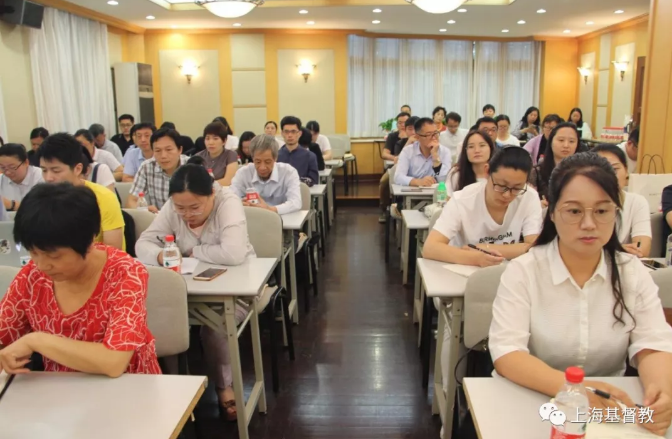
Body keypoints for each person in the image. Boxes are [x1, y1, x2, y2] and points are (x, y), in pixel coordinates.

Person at [488, 153, 672, 437]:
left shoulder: (631, 271)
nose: (589, 224)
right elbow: (507, 352)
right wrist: (574, 390)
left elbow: (653, 342)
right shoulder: (524, 271)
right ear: (551, 212)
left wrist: (659, 396)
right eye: (574, 211)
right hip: (534, 400)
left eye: (602, 211)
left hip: (608, 408)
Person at [0, 183, 160, 376]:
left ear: (90, 241)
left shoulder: (125, 273)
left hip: (129, 388)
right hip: (60, 394)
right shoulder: (32, 276)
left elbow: (114, 362)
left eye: (54, 256)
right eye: (34, 253)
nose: (42, 265)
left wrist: (35, 341)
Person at [136, 164, 254, 417]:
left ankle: (224, 386)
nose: (187, 214)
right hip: (187, 290)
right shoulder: (173, 207)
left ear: (212, 193)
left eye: (195, 207)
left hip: (235, 289)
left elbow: (232, 254)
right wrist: (159, 255)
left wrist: (192, 252)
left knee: (215, 327)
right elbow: (143, 243)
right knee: (159, 319)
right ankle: (173, 384)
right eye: (180, 208)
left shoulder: (228, 203)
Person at [424, 146, 541, 266]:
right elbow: (430, 248)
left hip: (506, 272)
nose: (507, 195)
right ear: (487, 172)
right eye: (501, 185)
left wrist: (483, 248)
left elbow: (533, 247)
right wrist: (477, 258)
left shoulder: (529, 196)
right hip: (463, 268)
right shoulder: (462, 200)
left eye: (517, 188)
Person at [37, 133, 125, 251]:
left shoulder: (104, 198)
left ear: (78, 169)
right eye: (44, 170)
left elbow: (113, 252)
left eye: (56, 170)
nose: (48, 177)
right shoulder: (41, 198)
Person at [593, 144, 651, 257]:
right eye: (601, 171)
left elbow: (642, 249)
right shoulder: (583, 204)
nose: (610, 176)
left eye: (615, 169)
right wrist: (619, 250)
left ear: (626, 171)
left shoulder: (637, 202)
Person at [229, 134, 301, 215]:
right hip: (251, 221)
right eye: (258, 162)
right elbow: (230, 198)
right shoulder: (243, 173)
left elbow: (296, 203)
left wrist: (270, 209)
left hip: (281, 222)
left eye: (267, 162)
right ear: (252, 158)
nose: (262, 167)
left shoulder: (288, 172)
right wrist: (239, 204)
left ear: (275, 158)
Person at [128, 128, 188, 213]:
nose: (163, 156)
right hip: (158, 221)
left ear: (180, 150)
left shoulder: (192, 167)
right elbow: (131, 201)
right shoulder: (147, 167)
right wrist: (145, 210)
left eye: (168, 150)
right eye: (158, 150)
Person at [378, 116, 419, 223]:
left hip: (419, 177)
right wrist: (408, 143)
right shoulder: (398, 141)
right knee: (384, 181)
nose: (413, 132)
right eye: (410, 128)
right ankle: (384, 208)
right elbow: (399, 161)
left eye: (416, 128)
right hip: (398, 170)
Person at [528, 122, 580, 203]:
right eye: (561, 140)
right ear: (551, 142)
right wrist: (537, 205)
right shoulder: (536, 172)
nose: (566, 145)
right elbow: (527, 202)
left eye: (571, 141)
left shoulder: (582, 172)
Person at [393, 117, 452, 187]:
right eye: (429, 134)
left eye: (435, 133)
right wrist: (417, 181)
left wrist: (435, 157)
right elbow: (398, 177)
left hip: (436, 195)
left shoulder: (445, 152)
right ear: (417, 137)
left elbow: (445, 181)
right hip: (411, 194)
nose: (434, 137)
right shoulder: (408, 151)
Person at [445, 131, 494, 197]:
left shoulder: (498, 175)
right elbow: (447, 199)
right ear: (465, 151)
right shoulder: (457, 175)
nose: (477, 150)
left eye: (482, 145)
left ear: (490, 148)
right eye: (471, 147)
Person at [0, 143, 44, 212]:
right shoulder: (1, 180)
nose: (7, 172)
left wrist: (12, 205)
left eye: (12, 167)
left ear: (26, 162)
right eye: (3, 168)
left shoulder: (41, 177)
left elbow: (43, 210)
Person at [194, 122, 239, 186]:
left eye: (215, 138)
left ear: (224, 141)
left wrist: (204, 186)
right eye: (207, 138)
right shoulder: (198, 157)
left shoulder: (231, 155)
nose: (211, 142)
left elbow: (228, 181)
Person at [278, 116, 319, 186]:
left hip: (302, 194)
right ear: (282, 134)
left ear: (299, 134)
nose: (290, 135)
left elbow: (313, 180)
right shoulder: (275, 156)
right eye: (286, 132)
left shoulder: (310, 156)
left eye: (293, 131)